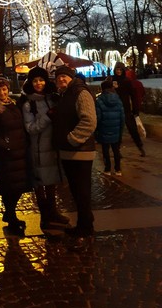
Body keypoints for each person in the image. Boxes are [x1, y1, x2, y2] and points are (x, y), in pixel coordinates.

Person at [20, 67, 70, 231]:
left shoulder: (52, 98)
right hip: (39, 149)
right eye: (35, 81)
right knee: (40, 184)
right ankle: (45, 216)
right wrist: (48, 116)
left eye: (41, 80)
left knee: (52, 182)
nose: (38, 83)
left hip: (53, 147)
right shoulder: (29, 104)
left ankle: (53, 212)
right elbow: (31, 128)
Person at [52, 65, 97, 239]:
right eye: (58, 77)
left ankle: (85, 227)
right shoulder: (65, 94)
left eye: (64, 76)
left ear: (72, 77)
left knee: (82, 191)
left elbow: (89, 121)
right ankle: (84, 222)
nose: (61, 79)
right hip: (70, 152)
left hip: (80, 151)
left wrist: (72, 139)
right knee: (77, 192)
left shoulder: (80, 92)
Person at [0, 77, 31, 235]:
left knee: (19, 187)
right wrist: (5, 145)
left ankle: (10, 214)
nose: (2, 93)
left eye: (4, 89)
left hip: (20, 152)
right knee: (9, 188)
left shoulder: (13, 104)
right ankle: (11, 217)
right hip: (5, 155)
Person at [112, 62, 146, 156]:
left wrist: (135, 110)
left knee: (132, 129)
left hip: (126, 108)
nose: (118, 71)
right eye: (117, 69)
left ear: (123, 70)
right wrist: (113, 88)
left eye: (120, 70)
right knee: (117, 131)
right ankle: (117, 151)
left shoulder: (127, 81)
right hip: (115, 108)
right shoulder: (112, 80)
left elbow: (133, 96)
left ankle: (140, 147)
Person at [95, 79, 125, 176]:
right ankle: (118, 169)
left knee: (105, 150)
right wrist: (121, 129)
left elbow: (98, 117)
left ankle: (107, 169)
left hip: (104, 129)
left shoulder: (99, 100)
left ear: (102, 88)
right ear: (112, 87)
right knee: (116, 150)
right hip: (116, 129)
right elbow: (122, 116)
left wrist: (97, 130)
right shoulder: (118, 99)